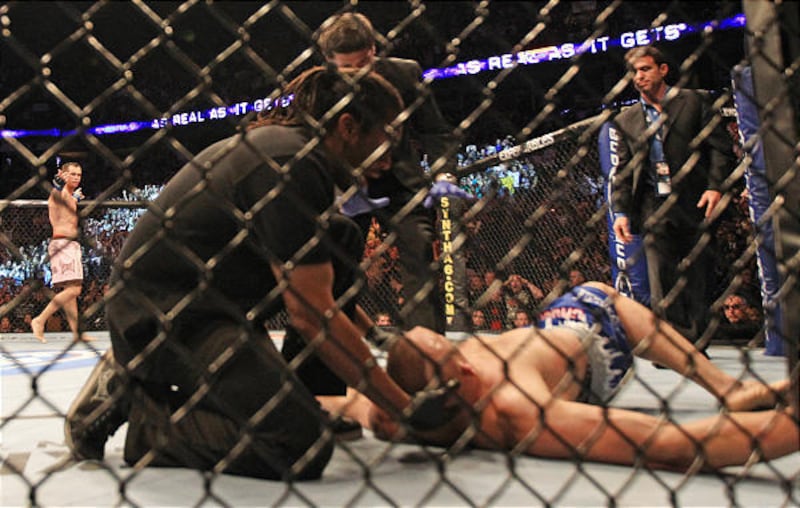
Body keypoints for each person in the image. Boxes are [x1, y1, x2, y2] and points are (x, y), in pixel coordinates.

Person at [63, 67, 459, 481]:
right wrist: (403, 409)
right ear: (348, 125)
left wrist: (375, 337)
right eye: (387, 135)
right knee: (299, 445)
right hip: (164, 316)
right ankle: (143, 414)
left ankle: (307, 394)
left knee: (338, 234)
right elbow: (311, 313)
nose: (391, 154)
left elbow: (319, 284)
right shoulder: (292, 164)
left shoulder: (301, 155)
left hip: (208, 300)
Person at [330, 282, 796, 472]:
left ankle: (730, 389)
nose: (466, 355)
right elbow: (670, 444)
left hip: (548, 332)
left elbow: (338, 400)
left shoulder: (390, 411)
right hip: (595, 352)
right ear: (457, 383)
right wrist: (790, 427)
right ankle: (728, 388)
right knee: (601, 293)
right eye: (457, 364)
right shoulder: (516, 411)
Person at [317, 12, 468, 333]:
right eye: (347, 68)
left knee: (420, 253)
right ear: (329, 61)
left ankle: (427, 351)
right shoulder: (319, 87)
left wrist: (444, 175)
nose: (357, 73)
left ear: (373, 49)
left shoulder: (404, 74)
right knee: (335, 268)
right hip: (346, 187)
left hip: (401, 181)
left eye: (362, 63)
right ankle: (333, 351)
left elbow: (435, 131)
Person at [609, 45, 735, 345]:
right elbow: (624, 172)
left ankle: (696, 343)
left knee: (698, 277)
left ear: (663, 70)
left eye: (645, 69)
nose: (639, 77)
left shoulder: (693, 101)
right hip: (653, 204)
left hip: (695, 201)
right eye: (634, 72)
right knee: (660, 280)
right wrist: (621, 212)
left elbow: (720, 149)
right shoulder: (627, 120)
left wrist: (715, 187)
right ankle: (674, 346)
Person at [31, 162, 91, 343]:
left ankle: (76, 333)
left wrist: (75, 200)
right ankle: (40, 320)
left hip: (70, 245)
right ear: (64, 175)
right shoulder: (58, 194)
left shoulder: (70, 197)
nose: (76, 177)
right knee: (75, 289)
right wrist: (57, 183)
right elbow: (57, 195)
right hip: (63, 244)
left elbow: (68, 204)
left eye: (78, 175)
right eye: (72, 174)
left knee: (70, 291)